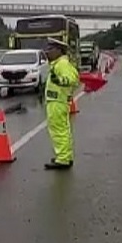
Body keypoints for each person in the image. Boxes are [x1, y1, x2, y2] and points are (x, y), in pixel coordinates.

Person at [43, 37, 80, 170]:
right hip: (56, 101)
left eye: (50, 49)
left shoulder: (62, 64)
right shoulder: (57, 63)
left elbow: (71, 80)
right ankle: (64, 156)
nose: (47, 52)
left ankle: (63, 159)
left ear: (59, 50)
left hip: (58, 101)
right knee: (62, 130)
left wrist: (58, 80)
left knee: (59, 131)